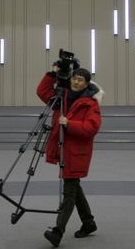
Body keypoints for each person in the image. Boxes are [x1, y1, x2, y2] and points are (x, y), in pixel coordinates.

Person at [36, 64, 103, 247]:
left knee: (69, 193)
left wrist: (69, 124)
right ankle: (89, 223)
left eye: (80, 80)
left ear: (87, 84)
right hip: (64, 150)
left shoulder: (91, 103)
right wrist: (52, 74)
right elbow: (42, 92)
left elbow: (92, 127)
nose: (75, 81)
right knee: (74, 187)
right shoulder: (62, 97)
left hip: (77, 153)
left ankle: (58, 232)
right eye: (74, 78)